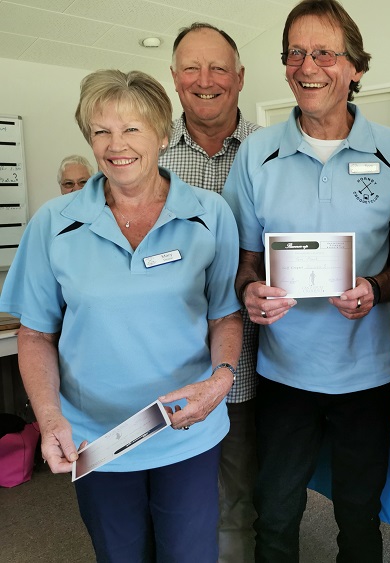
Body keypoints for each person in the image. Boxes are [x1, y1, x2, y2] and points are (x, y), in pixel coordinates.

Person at [0, 69, 243, 562]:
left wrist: (221, 380)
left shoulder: (209, 213)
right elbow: (35, 334)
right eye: (101, 131)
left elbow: (225, 317)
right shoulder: (53, 222)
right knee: (119, 554)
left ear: (162, 133)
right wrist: (49, 418)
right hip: (96, 436)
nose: (116, 145)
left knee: (190, 554)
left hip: (186, 428)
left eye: (132, 128)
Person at [222, 0, 390, 560]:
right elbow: (243, 259)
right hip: (285, 372)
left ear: (355, 67)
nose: (307, 66)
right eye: (295, 53)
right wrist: (249, 291)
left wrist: (376, 289)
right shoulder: (257, 154)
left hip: (367, 374)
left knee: (359, 515)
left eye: (324, 53)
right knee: (276, 512)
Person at [159, 22, 260, 562]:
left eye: (218, 68)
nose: (205, 80)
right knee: (168, 499)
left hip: (255, 365)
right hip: (164, 369)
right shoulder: (148, 155)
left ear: (239, 77)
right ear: (175, 79)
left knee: (241, 498)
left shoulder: (271, 150)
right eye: (191, 69)